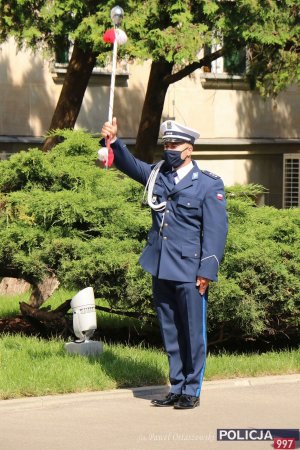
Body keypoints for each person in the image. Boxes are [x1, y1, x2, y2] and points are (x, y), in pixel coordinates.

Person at [100, 118, 228, 409]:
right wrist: (114, 141)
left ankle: (192, 390)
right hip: (161, 267)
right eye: (167, 144)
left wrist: (207, 269)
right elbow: (130, 165)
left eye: (175, 145)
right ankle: (177, 386)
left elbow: (216, 231)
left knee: (192, 332)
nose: (169, 149)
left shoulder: (208, 184)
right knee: (170, 331)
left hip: (190, 270)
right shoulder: (158, 175)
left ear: (189, 150)